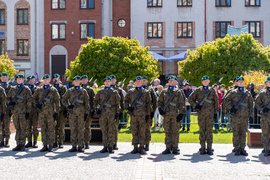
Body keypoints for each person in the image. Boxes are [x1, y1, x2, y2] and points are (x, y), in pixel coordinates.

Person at [188, 75, 218, 155]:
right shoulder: (198, 90)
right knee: (202, 131)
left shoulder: (212, 91)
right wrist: (196, 105)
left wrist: (215, 113)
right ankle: (202, 148)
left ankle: (209, 148)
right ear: (202, 82)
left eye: (207, 80)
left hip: (210, 114)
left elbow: (216, 102)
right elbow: (190, 99)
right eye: (204, 81)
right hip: (201, 114)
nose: (205, 81)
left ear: (209, 81)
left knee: (209, 131)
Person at [223, 77, 253, 156]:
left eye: (242, 81)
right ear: (237, 82)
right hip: (235, 116)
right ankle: (236, 149)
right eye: (239, 81)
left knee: (243, 133)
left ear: (244, 83)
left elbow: (250, 104)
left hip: (244, 116)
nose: (240, 83)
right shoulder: (233, 92)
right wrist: (231, 108)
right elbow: (225, 100)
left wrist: (251, 115)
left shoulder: (247, 93)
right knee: (236, 133)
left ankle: (242, 148)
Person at [62, 75, 90, 153]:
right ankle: (74, 145)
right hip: (72, 113)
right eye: (75, 80)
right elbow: (63, 99)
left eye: (78, 80)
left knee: (81, 129)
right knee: (73, 129)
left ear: (80, 81)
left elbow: (87, 102)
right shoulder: (70, 91)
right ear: (73, 82)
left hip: (81, 113)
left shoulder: (83, 91)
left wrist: (86, 113)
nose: (76, 82)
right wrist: (68, 106)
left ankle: (80, 146)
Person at [158, 75, 185, 155]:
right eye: (169, 80)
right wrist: (160, 109)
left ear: (176, 82)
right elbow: (160, 102)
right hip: (166, 115)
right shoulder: (164, 91)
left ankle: (175, 147)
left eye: (172, 80)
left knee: (175, 131)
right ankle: (168, 147)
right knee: (167, 131)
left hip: (175, 115)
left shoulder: (179, 92)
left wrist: (181, 113)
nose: (170, 81)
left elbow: (182, 103)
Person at [33, 74, 60, 152]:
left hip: (50, 112)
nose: (45, 81)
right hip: (41, 112)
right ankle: (45, 144)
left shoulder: (53, 90)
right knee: (43, 128)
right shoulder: (39, 90)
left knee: (51, 128)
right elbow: (33, 98)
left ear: (49, 80)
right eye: (44, 80)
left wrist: (56, 112)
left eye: (46, 79)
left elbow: (57, 101)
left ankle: (51, 145)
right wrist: (37, 104)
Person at [124, 76, 151, 155]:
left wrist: (148, 115)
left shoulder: (146, 92)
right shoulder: (130, 92)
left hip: (143, 115)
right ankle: (135, 147)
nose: (138, 82)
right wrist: (128, 107)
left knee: (142, 131)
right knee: (134, 131)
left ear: (142, 82)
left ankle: (141, 147)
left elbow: (149, 104)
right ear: (135, 82)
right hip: (134, 115)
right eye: (137, 81)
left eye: (140, 81)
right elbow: (125, 101)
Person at [94, 76, 120, 153]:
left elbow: (118, 103)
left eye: (109, 81)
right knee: (104, 130)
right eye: (106, 81)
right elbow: (95, 101)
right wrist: (97, 108)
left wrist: (117, 113)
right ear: (104, 82)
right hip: (103, 114)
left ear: (111, 82)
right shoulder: (100, 92)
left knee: (111, 130)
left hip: (111, 114)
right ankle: (105, 146)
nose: (107, 82)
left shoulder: (114, 92)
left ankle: (111, 146)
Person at [7, 74, 32, 151]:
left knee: (23, 128)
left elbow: (29, 101)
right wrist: (10, 103)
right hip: (15, 112)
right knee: (17, 128)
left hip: (23, 112)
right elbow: (7, 98)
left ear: (23, 80)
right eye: (17, 79)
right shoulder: (13, 89)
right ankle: (18, 144)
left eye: (20, 79)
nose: (19, 80)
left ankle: (22, 144)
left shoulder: (26, 89)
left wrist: (28, 111)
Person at [254, 77, 270, 156]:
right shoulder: (262, 93)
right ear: (266, 83)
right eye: (268, 81)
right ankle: (266, 149)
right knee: (265, 133)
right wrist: (263, 109)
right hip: (265, 116)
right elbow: (256, 103)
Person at [52, 73, 67, 148]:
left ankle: (60, 142)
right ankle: (54, 142)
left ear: (60, 79)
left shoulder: (63, 88)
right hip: (53, 111)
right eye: (54, 79)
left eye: (57, 79)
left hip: (61, 110)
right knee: (54, 127)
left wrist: (65, 109)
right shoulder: (51, 88)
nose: (55, 80)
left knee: (61, 127)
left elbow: (65, 99)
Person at [142, 75, 157, 151]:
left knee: (147, 129)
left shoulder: (150, 89)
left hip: (148, 113)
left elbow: (154, 101)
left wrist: (152, 112)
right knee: (139, 129)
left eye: (145, 80)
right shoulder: (138, 89)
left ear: (147, 81)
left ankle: (147, 144)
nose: (143, 81)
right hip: (139, 113)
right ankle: (140, 144)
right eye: (142, 80)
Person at [110, 75, 124, 150]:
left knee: (115, 128)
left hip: (116, 112)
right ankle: (108, 143)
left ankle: (114, 143)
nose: (112, 81)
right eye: (110, 79)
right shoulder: (106, 90)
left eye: (113, 79)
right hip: (107, 113)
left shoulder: (118, 90)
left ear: (115, 80)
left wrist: (121, 112)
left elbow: (122, 102)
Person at [81, 75, 96, 149]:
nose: (84, 81)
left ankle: (86, 142)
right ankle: (80, 142)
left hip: (88, 112)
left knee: (87, 127)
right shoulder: (78, 89)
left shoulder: (90, 90)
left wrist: (93, 110)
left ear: (87, 80)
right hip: (79, 112)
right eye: (82, 79)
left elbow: (94, 100)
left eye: (85, 79)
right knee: (80, 127)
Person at [25, 75, 39, 148]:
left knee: (35, 127)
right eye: (29, 80)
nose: (30, 81)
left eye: (31, 79)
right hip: (27, 110)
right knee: (28, 127)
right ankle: (29, 141)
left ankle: (35, 142)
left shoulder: (37, 89)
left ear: (34, 80)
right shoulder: (25, 89)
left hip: (35, 110)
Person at [0, 72, 12, 147]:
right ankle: (1, 140)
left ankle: (7, 140)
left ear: (7, 78)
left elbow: (11, 98)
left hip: (7, 109)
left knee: (6, 125)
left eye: (4, 77)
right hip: (0, 109)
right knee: (0, 126)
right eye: (2, 77)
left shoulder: (10, 87)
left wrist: (11, 109)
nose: (3, 78)